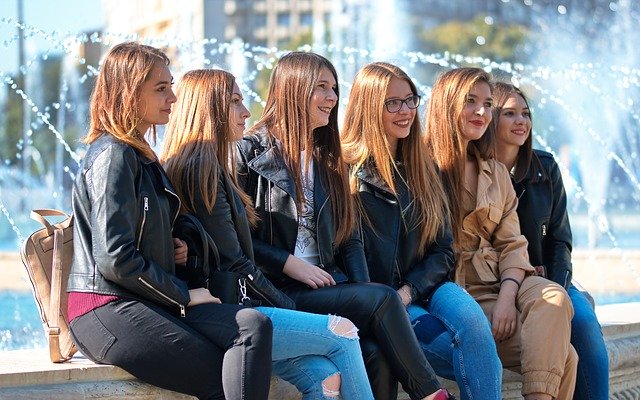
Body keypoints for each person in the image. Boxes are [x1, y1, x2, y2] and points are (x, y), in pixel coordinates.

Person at [236, 51, 452, 400]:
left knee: (379, 352)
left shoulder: (325, 157)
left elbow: (349, 240)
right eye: (322, 87)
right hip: (272, 289)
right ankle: (432, 395)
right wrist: (288, 263)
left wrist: (363, 293)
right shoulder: (247, 153)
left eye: (334, 88)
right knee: (383, 299)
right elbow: (236, 241)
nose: (333, 97)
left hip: (324, 286)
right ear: (294, 88)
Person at [67, 42, 273, 400]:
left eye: (171, 86)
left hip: (143, 300)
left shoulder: (141, 156)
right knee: (223, 372)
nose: (173, 97)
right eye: (161, 88)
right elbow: (115, 258)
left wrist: (176, 249)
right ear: (129, 93)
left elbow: (140, 235)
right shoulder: (114, 155)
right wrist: (182, 294)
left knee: (253, 325)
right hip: (105, 307)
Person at [160, 68, 374, 400]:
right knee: (343, 333)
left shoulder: (203, 165)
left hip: (228, 306)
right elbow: (236, 262)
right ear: (208, 110)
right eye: (234, 102)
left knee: (325, 376)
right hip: (228, 311)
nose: (246, 112)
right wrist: (291, 308)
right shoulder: (202, 170)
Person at [341, 61, 502, 400]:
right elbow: (342, 252)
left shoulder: (423, 166)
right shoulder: (344, 170)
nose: (406, 111)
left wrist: (410, 289)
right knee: (450, 349)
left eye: (410, 100)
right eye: (392, 103)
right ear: (369, 107)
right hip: (383, 300)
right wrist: (392, 298)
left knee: (475, 327)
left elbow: (443, 249)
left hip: (427, 286)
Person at [423, 67, 578, 400]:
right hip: (459, 288)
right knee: (566, 357)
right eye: (470, 101)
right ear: (447, 104)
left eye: (488, 104)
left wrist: (507, 298)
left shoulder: (494, 171)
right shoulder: (422, 167)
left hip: (506, 282)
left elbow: (512, 244)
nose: (482, 112)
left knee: (554, 296)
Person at [491, 81, 609, 400]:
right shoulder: (476, 173)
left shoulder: (545, 168)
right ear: (491, 118)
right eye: (510, 113)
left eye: (526, 114)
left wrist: (558, 286)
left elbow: (560, 240)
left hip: (548, 280)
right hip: (497, 283)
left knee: (583, 325)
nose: (521, 121)